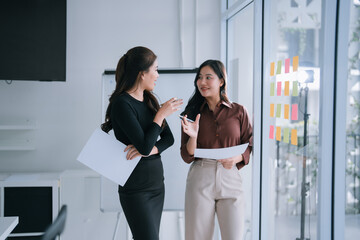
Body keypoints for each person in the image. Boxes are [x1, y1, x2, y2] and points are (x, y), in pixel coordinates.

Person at [101, 46, 183, 240]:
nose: (157, 75)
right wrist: (161, 115)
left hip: (156, 185)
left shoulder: (150, 100)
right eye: (155, 69)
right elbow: (144, 146)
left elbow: (168, 139)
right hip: (136, 189)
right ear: (142, 74)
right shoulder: (123, 104)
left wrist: (152, 150)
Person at [180, 59, 253, 240]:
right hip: (200, 176)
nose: (202, 82)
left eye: (208, 77)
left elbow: (249, 143)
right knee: (197, 237)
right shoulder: (190, 113)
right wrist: (194, 136)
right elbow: (186, 154)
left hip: (230, 176)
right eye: (199, 78)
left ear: (221, 81)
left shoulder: (239, 111)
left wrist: (236, 159)